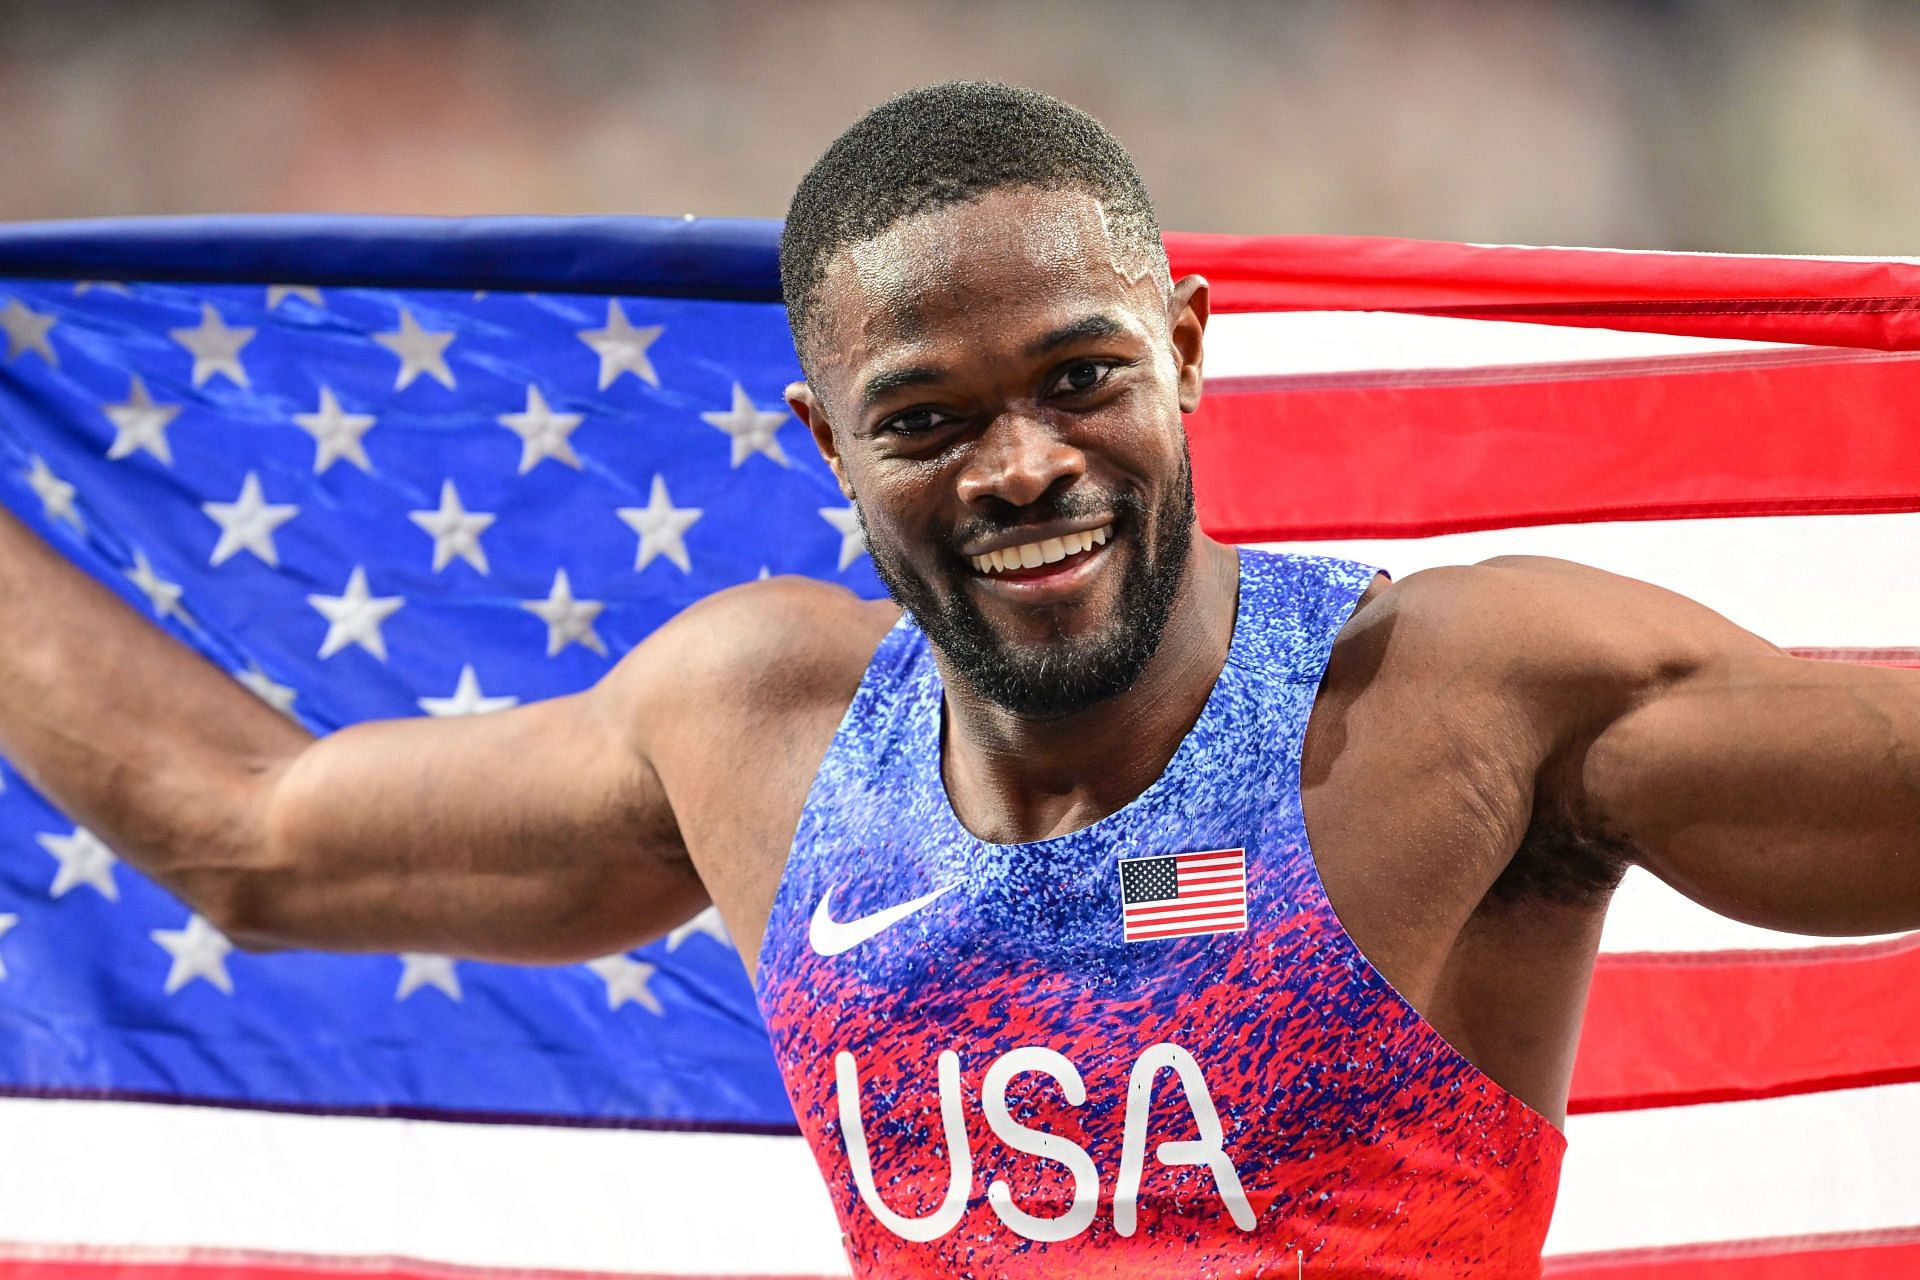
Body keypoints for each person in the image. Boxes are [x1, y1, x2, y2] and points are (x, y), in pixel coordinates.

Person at [2, 81, 1916, 1279]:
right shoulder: (750, 727)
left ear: (1182, 348)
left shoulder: (1466, 699)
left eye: (1081, 376)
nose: (1019, 467)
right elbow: (252, 836)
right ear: (825, 440)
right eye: (926, 417)